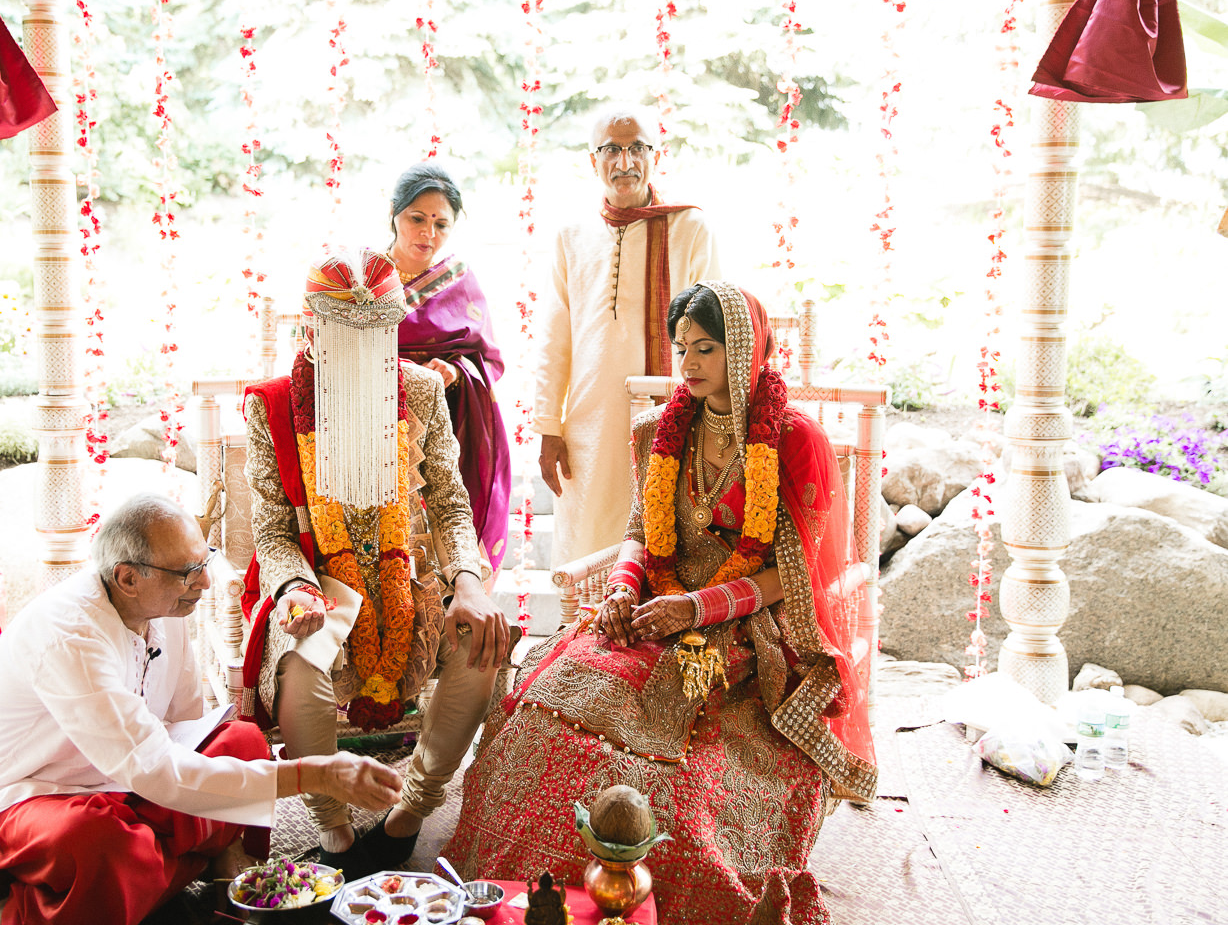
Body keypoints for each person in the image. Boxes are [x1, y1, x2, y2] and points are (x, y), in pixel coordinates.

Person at [444, 283, 877, 925]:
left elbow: (798, 574)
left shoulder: (792, 439)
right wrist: (622, 588)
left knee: (674, 768)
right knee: (547, 704)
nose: (691, 363)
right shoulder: (660, 432)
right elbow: (640, 534)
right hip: (652, 603)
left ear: (748, 347)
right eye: (682, 349)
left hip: (747, 623)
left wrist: (698, 610)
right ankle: (536, 892)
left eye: (706, 348)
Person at [0, 494, 401, 925]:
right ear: (127, 578)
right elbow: (157, 771)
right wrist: (315, 774)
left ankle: (153, 874)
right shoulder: (70, 637)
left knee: (244, 741)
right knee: (105, 843)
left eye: (204, 562)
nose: (206, 583)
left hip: (131, 781)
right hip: (41, 797)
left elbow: (189, 724)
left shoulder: (162, 608)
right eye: (189, 573)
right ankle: (16, 910)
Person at [240, 250, 510, 879]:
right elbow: (273, 533)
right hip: (318, 582)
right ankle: (333, 833)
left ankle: (410, 814)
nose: (365, 352)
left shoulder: (418, 390)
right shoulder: (274, 406)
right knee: (300, 655)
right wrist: (296, 592)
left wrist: (467, 581)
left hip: (411, 578)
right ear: (311, 331)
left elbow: (449, 502)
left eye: (377, 336)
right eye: (345, 336)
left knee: (481, 637)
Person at [534, 103, 720, 568]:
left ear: (654, 154)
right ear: (592, 161)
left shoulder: (689, 228)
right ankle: (581, 642)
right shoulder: (571, 236)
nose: (625, 162)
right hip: (590, 427)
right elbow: (555, 336)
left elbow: (719, 330)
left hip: (675, 416)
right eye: (611, 150)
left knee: (669, 547)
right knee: (586, 549)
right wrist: (547, 428)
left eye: (637, 148)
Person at [390, 162, 511, 575]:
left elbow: (487, 358)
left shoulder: (458, 279)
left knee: (453, 531)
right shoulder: (366, 278)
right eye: (417, 219)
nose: (428, 234)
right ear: (395, 214)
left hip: (451, 421)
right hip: (379, 418)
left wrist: (455, 372)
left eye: (441, 224)